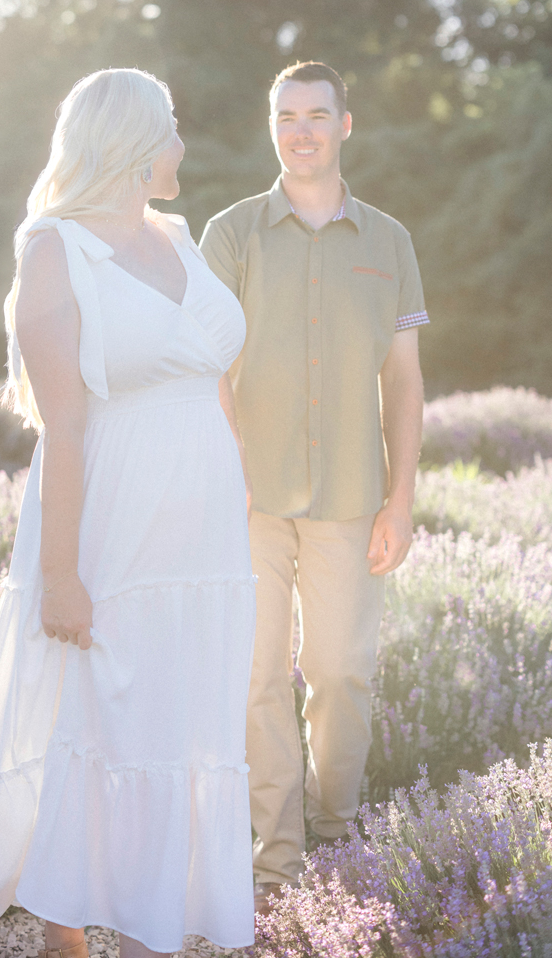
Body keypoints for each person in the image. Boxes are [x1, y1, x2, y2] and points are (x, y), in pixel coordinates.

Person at [0, 68, 257, 958]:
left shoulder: (179, 237)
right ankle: (69, 932)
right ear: (133, 143)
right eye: (170, 129)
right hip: (111, 515)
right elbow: (63, 422)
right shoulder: (53, 247)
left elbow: (212, 381)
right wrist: (60, 573)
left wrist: (236, 491)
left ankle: (150, 925)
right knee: (92, 715)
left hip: (203, 537)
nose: (181, 146)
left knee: (177, 720)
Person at [199, 60, 428, 912]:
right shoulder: (231, 233)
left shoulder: (390, 241)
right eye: (286, 116)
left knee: (339, 673)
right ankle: (276, 861)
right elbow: (206, 365)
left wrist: (400, 500)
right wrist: (226, 474)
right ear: (273, 127)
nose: (301, 129)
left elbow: (402, 380)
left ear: (345, 124)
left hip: (351, 501)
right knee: (258, 679)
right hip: (248, 503)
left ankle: (336, 835)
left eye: (316, 115)